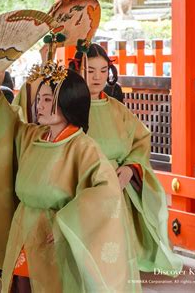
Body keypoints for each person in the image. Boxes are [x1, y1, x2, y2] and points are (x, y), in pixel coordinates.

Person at [0, 66, 141, 292]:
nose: (39, 105)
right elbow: (4, 124)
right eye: (39, 98)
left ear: (67, 101)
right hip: (23, 229)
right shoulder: (32, 135)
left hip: (55, 237)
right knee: (18, 285)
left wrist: (68, 222)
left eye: (47, 99)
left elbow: (106, 191)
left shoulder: (83, 148)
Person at [70, 43, 183, 274]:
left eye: (103, 71)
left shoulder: (117, 109)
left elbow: (140, 140)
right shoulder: (69, 108)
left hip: (117, 187)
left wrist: (131, 168)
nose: (97, 77)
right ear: (78, 70)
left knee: (116, 259)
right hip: (80, 186)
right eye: (90, 71)